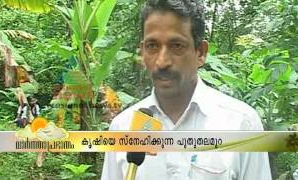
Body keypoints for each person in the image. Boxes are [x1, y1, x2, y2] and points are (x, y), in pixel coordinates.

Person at [101, 0, 272, 180]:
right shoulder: (122, 127)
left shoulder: (241, 124)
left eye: (177, 46)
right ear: (143, 51)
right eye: (152, 46)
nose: (162, 61)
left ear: (201, 53)